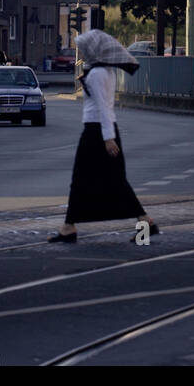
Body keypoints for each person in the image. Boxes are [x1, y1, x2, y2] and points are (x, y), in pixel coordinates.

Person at [48, 29, 158, 244]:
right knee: (104, 179)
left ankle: (146, 222)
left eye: (84, 47)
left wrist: (108, 138)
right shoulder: (102, 70)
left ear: (93, 50)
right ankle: (69, 226)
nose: (81, 50)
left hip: (97, 131)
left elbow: (103, 107)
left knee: (91, 179)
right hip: (98, 130)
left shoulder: (98, 74)